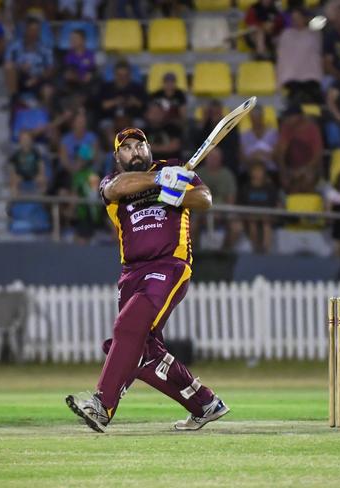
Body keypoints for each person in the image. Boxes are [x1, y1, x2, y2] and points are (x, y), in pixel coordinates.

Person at [65, 127, 229, 432]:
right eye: (126, 148)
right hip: (131, 273)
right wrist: (158, 180)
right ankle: (205, 404)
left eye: (139, 144)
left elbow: (205, 199)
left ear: (149, 148)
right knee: (137, 348)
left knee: (127, 329)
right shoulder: (113, 181)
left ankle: (102, 406)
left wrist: (179, 192)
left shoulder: (174, 169)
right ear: (117, 157)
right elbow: (114, 191)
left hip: (170, 265)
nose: (135, 151)